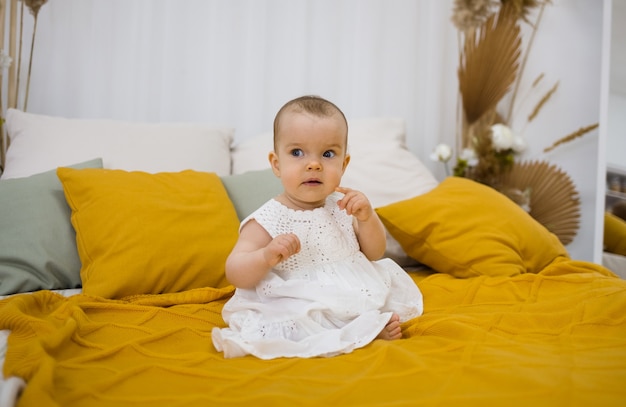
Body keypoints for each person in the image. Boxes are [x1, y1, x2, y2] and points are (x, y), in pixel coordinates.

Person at [212, 95, 423, 359]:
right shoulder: (269, 218)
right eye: (297, 152)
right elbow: (235, 271)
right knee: (299, 317)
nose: (314, 164)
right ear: (277, 164)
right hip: (297, 297)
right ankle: (359, 331)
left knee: (360, 303)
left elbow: (375, 253)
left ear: (344, 164)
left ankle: (363, 327)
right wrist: (265, 256)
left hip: (346, 291)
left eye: (328, 154)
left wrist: (368, 218)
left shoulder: (343, 206)